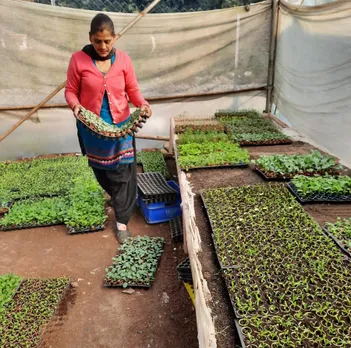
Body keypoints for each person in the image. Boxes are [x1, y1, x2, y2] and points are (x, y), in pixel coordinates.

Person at [65, 13, 152, 244]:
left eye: (107, 41)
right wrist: (75, 105)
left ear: (115, 37)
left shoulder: (123, 60)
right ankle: (117, 199)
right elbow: (71, 90)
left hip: (121, 126)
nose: (102, 46)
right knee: (102, 172)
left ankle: (122, 222)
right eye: (97, 41)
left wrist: (142, 104)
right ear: (90, 38)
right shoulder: (78, 60)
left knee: (122, 172)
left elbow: (132, 89)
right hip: (92, 129)